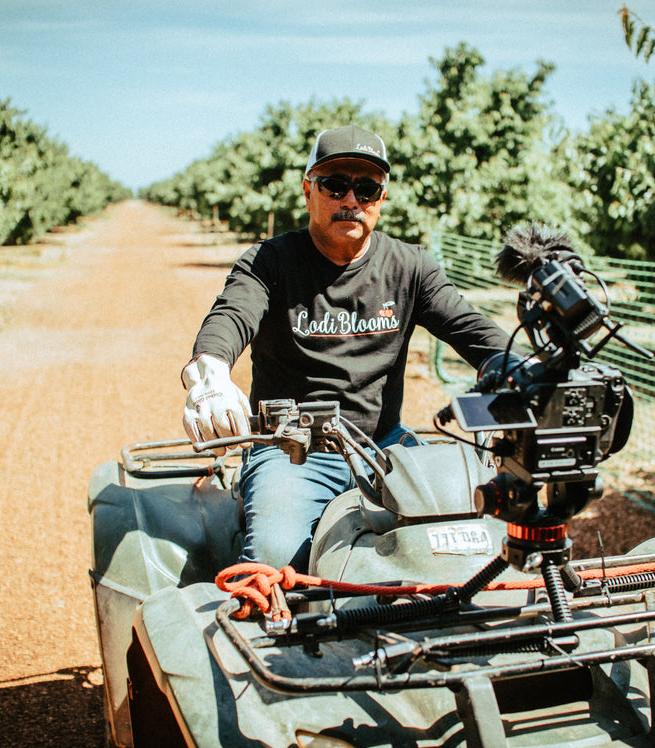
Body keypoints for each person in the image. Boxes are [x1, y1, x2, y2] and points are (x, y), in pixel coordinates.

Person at [181, 125, 510, 572]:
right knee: (278, 561)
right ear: (308, 190)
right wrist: (211, 373)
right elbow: (232, 315)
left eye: (367, 188)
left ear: (381, 198)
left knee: (463, 545)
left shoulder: (411, 267)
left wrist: (524, 370)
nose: (351, 200)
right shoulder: (270, 262)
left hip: (384, 449)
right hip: (291, 450)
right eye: (335, 185)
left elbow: (471, 328)